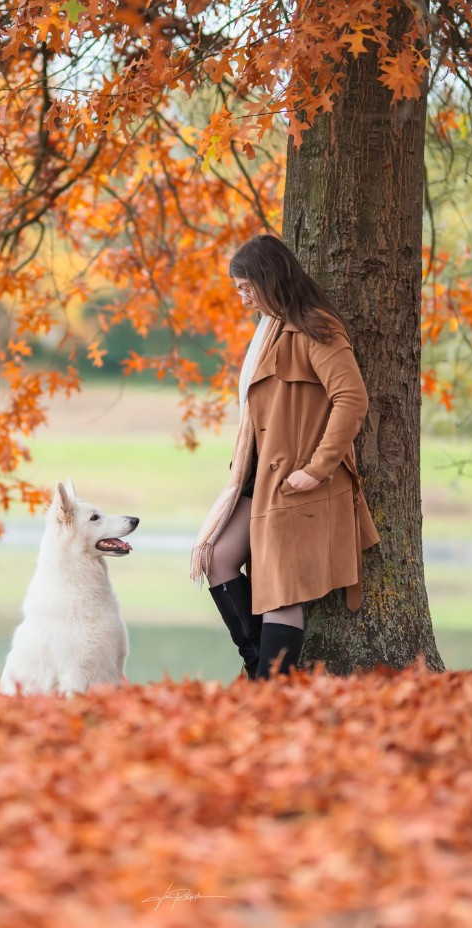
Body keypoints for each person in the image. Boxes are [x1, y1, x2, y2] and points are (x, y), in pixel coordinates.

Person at [189, 234, 381, 679]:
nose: (242, 300)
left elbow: (351, 399)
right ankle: (259, 669)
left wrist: (316, 470)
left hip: (298, 482)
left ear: (267, 280)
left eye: (245, 289)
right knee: (217, 557)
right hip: (258, 477)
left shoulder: (318, 328)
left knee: (281, 593)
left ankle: (270, 694)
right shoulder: (270, 330)